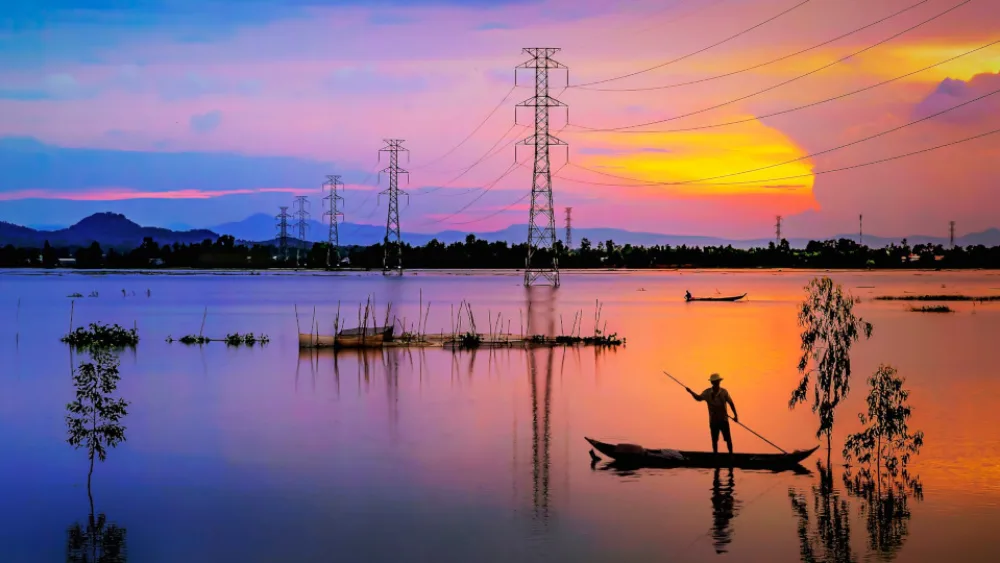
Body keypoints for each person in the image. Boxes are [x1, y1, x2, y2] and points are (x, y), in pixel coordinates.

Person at [686, 373, 738, 454]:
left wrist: (735, 416)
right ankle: (715, 457)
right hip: (713, 421)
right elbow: (698, 398)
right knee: (714, 440)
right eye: (715, 382)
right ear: (712, 383)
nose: (716, 383)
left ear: (719, 382)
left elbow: (731, 403)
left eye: (717, 382)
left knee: (728, 439)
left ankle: (731, 456)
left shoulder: (724, 392)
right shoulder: (707, 393)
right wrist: (691, 392)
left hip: (724, 420)